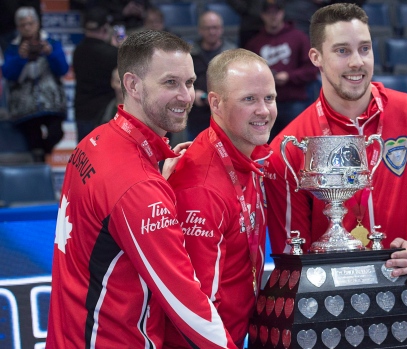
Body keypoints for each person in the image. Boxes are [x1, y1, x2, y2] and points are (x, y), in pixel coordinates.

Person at [264, 3, 407, 328]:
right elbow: (291, 250)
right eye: (342, 50)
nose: (357, 62)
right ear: (316, 57)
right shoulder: (289, 146)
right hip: (330, 323)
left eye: (364, 49)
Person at [46, 30, 236, 349]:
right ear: (132, 85)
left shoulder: (94, 142)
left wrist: (158, 172)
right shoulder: (138, 187)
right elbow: (187, 306)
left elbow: (107, 226)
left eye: (190, 83)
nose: (186, 96)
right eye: (170, 83)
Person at [165, 48, 276, 349]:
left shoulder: (248, 157)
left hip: (234, 334)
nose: (264, 111)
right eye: (249, 99)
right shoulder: (202, 187)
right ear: (215, 102)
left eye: (269, 98)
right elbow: (196, 305)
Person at [2, 6, 68, 163]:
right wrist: (20, 57)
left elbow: (63, 69)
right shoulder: (12, 48)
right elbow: (8, 74)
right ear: (18, 27)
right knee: (33, 141)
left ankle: (42, 154)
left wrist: (50, 53)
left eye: (30, 23)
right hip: (24, 106)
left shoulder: (51, 42)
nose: (27, 28)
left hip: (52, 102)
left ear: (38, 24)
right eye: (23, 25)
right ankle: (40, 165)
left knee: (56, 133)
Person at [245, 0, 318, 142]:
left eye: (276, 12)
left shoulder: (299, 37)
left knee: (298, 143)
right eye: (268, 13)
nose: (273, 16)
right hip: (264, 104)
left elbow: (312, 70)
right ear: (262, 15)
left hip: (294, 101)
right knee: (264, 145)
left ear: (282, 13)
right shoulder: (254, 43)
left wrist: (289, 76)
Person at [188, 10, 237, 140]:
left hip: (225, 115)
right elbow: (181, 81)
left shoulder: (233, 54)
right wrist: (192, 92)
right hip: (196, 114)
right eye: (207, 28)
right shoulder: (189, 54)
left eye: (215, 28)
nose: (211, 32)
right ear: (200, 30)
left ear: (221, 29)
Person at [73, 6, 118, 141]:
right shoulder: (113, 53)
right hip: (104, 115)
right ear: (105, 28)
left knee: (85, 159)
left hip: (82, 113)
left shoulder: (78, 51)